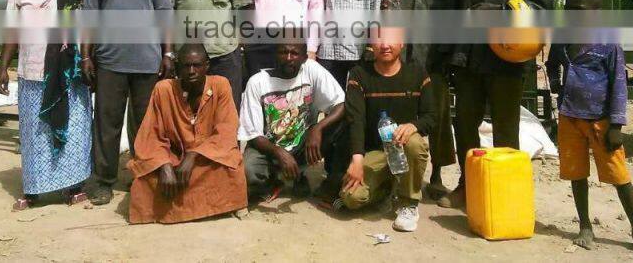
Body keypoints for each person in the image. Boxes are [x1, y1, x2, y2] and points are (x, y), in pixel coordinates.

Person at [440, 0, 555, 208]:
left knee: (506, 126)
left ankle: (505, 192)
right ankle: (468, 184)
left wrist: (502, 9)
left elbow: (545, 1)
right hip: (469, 55)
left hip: (506, 55)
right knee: (464, 123)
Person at [545, 0, 633, 257]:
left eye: (579, 11)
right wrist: (559, 88)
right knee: (576, 173)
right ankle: (585, 226)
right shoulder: (562, 37)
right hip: (570, 117)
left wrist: (616, 126)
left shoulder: (608, 43)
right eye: (568, 9)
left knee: (619, 176)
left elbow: (620, 84)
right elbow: (551, 64)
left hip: (601, 122)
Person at [0, 0, 91, 210]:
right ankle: (34, 189)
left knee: (73, 127)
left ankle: (72, 186)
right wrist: (3, 67)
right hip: (33, 71)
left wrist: (87, 59)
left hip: (68, 70)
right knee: (36, 132)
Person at [81, 0, 174, 206]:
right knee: (107, 125)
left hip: (147, 62)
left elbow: (165, 16)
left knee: (145, 126)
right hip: (109, 62)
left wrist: (168, 52)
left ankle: (142, 176)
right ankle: (105, 180)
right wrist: (86, 57)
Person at [128, 44, 247, 224]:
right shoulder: (163, 89)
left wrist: (193, 155)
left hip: (208, 158)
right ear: (177, 67)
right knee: (144, 179)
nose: (191, 71)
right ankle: (215, 206)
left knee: (230, 167)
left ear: (207, 66)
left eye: (197, 65)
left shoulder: (221, 85)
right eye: (186, 66)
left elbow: (226, 131)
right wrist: (164, 165)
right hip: (174, 158)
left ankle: (184, 208)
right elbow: (150, 136)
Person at [386, 0, 456, 198]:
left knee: (437, 114)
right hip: (400, 53)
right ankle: (395, 176)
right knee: (399, 112)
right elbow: (386, 5)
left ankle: (437, 176)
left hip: (435, 54)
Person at [340, 27, 435, 232]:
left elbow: (431, 117)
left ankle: (409, 203)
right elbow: (355, 119)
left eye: (391, 40)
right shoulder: (359, 74)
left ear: (402, 44)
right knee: (351, 198)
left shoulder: (417, 73)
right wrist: (357, 158)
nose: (385, 45)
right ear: (371, 45)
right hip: (375, 151)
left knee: (415, 142)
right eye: (379, 40)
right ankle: (387, 189)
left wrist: (414, 126)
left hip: (403, 149)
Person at [239, 42, 348, 204]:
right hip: (269, 149)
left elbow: (341, 103)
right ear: (275, 55)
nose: (289, 58)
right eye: (283, 52)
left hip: (303, 143)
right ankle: (275, 179)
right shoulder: (257, 82)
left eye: (294, 53)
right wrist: (279, 152)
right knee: (248, 171)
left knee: (342, 123)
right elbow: (253, 135)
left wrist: (318, 128)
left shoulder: (312, 70)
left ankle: (323, 180)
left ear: (305, 58)